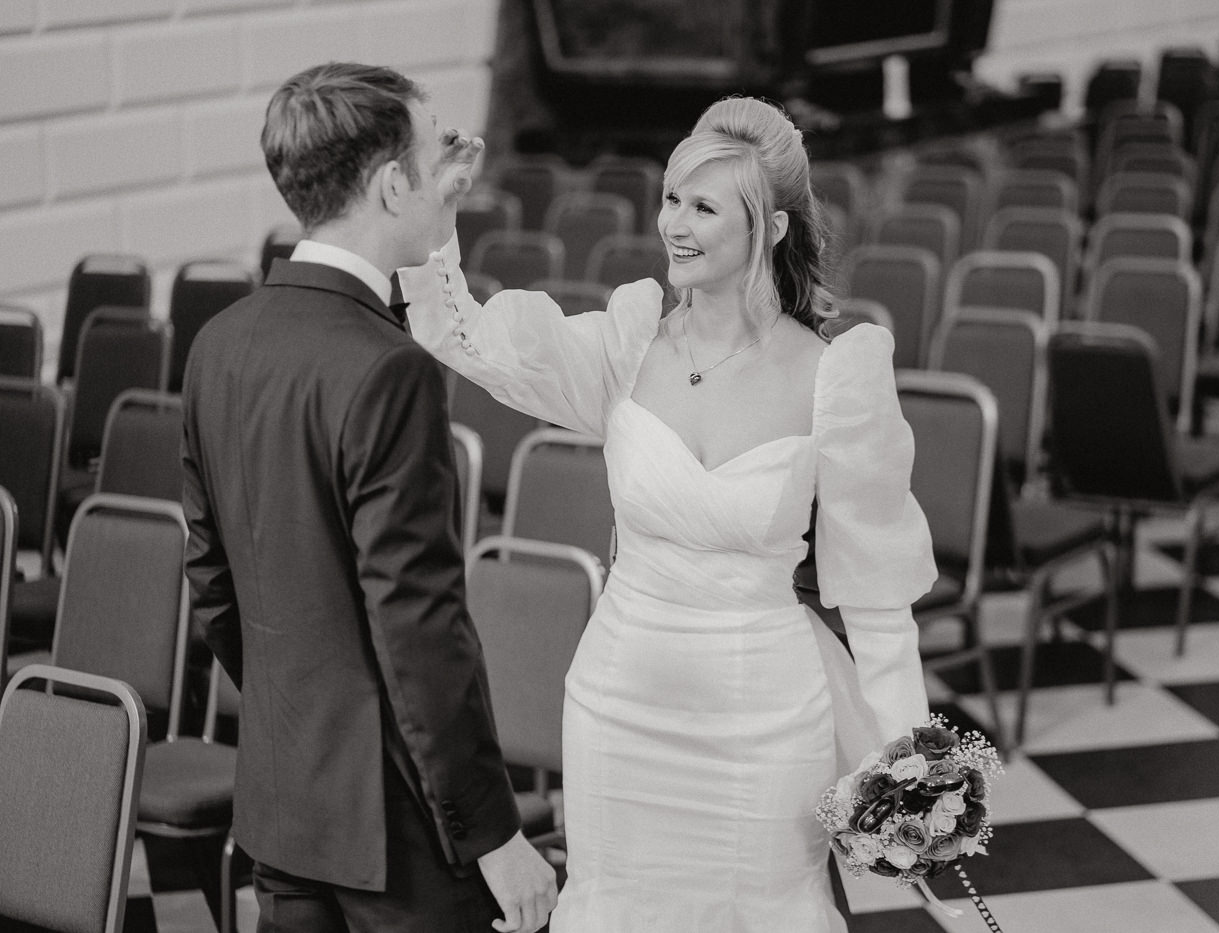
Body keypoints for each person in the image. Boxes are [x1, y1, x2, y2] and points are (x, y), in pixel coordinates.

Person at [401, 96, 935, 931]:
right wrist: (435, 214)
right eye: (671, 199)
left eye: (704, 206)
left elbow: (878, 600)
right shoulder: (630, 340)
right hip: (621, 704)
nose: (674, 226)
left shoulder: (839, 375)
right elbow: (467, 337)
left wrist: (907, 768)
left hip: (766, 717)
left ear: (773, 229)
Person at [181, 62, 557, 933]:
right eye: (434, 153)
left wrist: (302, 717)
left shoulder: (220, 343)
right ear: (392, 184)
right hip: (400, 831)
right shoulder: (388, 369)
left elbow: (211, 579)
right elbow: (418, 623)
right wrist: (493, 832)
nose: (448, 168)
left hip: (284, 801)